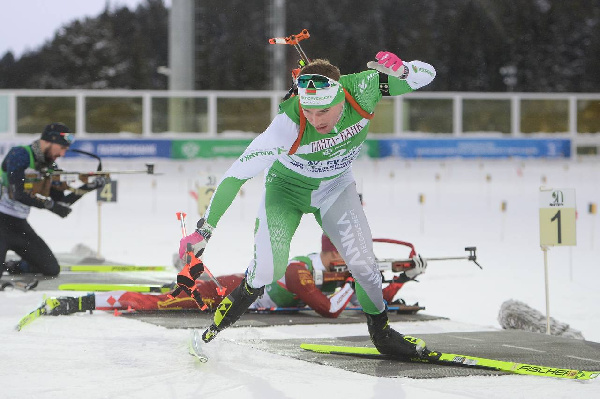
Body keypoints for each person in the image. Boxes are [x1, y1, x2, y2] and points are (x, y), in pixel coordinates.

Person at [177, 51, 436, 358]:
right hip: (285, 191)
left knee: (366, 268)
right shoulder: (285, 125)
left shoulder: (363, 89)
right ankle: (214, 331)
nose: (315, 120)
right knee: (267, 273)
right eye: (308, 111)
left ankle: (382, 334)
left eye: (323, 111)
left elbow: (427, 74)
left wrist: (404, 70)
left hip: (335, 188)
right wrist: (204, 230)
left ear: (340, 94)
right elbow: (235, 175)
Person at [43, 233, 427, 316]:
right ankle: (84, 301)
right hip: (229, 293)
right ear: (329, 252)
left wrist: (400, 281)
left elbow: (364, 296)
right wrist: (359, 281)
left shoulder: (328, 270)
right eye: (345, 255)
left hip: (245, 294)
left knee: (171, 292)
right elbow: (329, 309)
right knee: (161, 303)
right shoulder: (301, 270)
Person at [0, 123, 104, 276]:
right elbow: (18, 194)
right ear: (50, 140)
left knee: (51, 269)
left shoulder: (50, 166)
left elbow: (61, 203)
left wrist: (88, 187)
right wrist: (50, 205)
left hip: (19, 226)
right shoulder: (20, 154)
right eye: (62, 148)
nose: (62, 154)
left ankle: (11, 267)